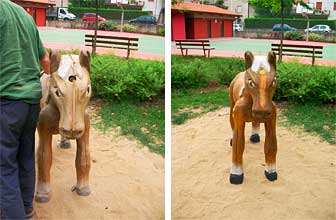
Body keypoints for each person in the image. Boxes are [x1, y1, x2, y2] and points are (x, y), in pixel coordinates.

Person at [0, 0, 50, 219]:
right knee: (25, 157)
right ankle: (27, 209)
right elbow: (45, 59)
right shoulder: (24, 14)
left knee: (4, 165)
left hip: (7, 100)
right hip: (31, 101)